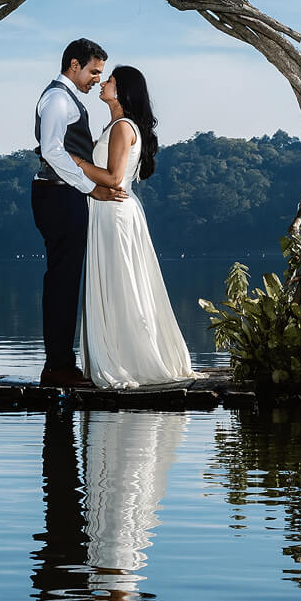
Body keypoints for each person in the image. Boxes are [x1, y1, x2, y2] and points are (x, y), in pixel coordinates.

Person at [71, 65, 197, 389]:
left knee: (121, 283)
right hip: (107, 211)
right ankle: (117, 353)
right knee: (117, 283)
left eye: (110, 80)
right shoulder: (114, 125)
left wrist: (77, 162)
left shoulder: (123, 127)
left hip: (113, 213)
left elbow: (113, 177)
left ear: (123, 90)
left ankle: (128, 359)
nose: (103, 83)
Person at [32, 39, 125, 388]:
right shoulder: (57, 98)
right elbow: (53, 151)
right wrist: (90, 187)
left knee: (66, 280)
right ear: (75, 65)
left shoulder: (66, 98)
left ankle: (61, 363)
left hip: (62, 194)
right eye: (93, 72)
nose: (96, 80)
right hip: (57, 195)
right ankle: (57, 367)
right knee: (62, 281)